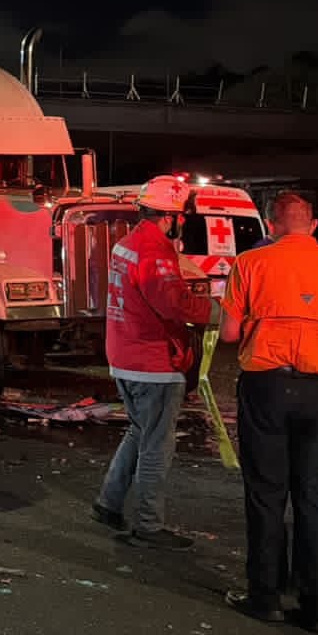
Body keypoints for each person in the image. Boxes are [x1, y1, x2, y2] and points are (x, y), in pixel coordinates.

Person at [219, 193, 318, 633]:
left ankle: (265, 596)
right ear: (314, 224)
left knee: (266, 492)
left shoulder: (250, 263)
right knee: (312, 491)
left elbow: (229, 333)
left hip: (266, 386)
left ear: (271, 224)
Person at [93, 175, 214, 550]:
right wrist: (216, 312)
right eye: (181, 216)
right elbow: (172, 304)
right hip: (153, 362)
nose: (183, 222)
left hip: (125, 354)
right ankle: (148, 524)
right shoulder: (155, 251)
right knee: (156, 447)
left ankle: (109, 503)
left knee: (139, 431)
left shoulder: (128, 243)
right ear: (170, 216)